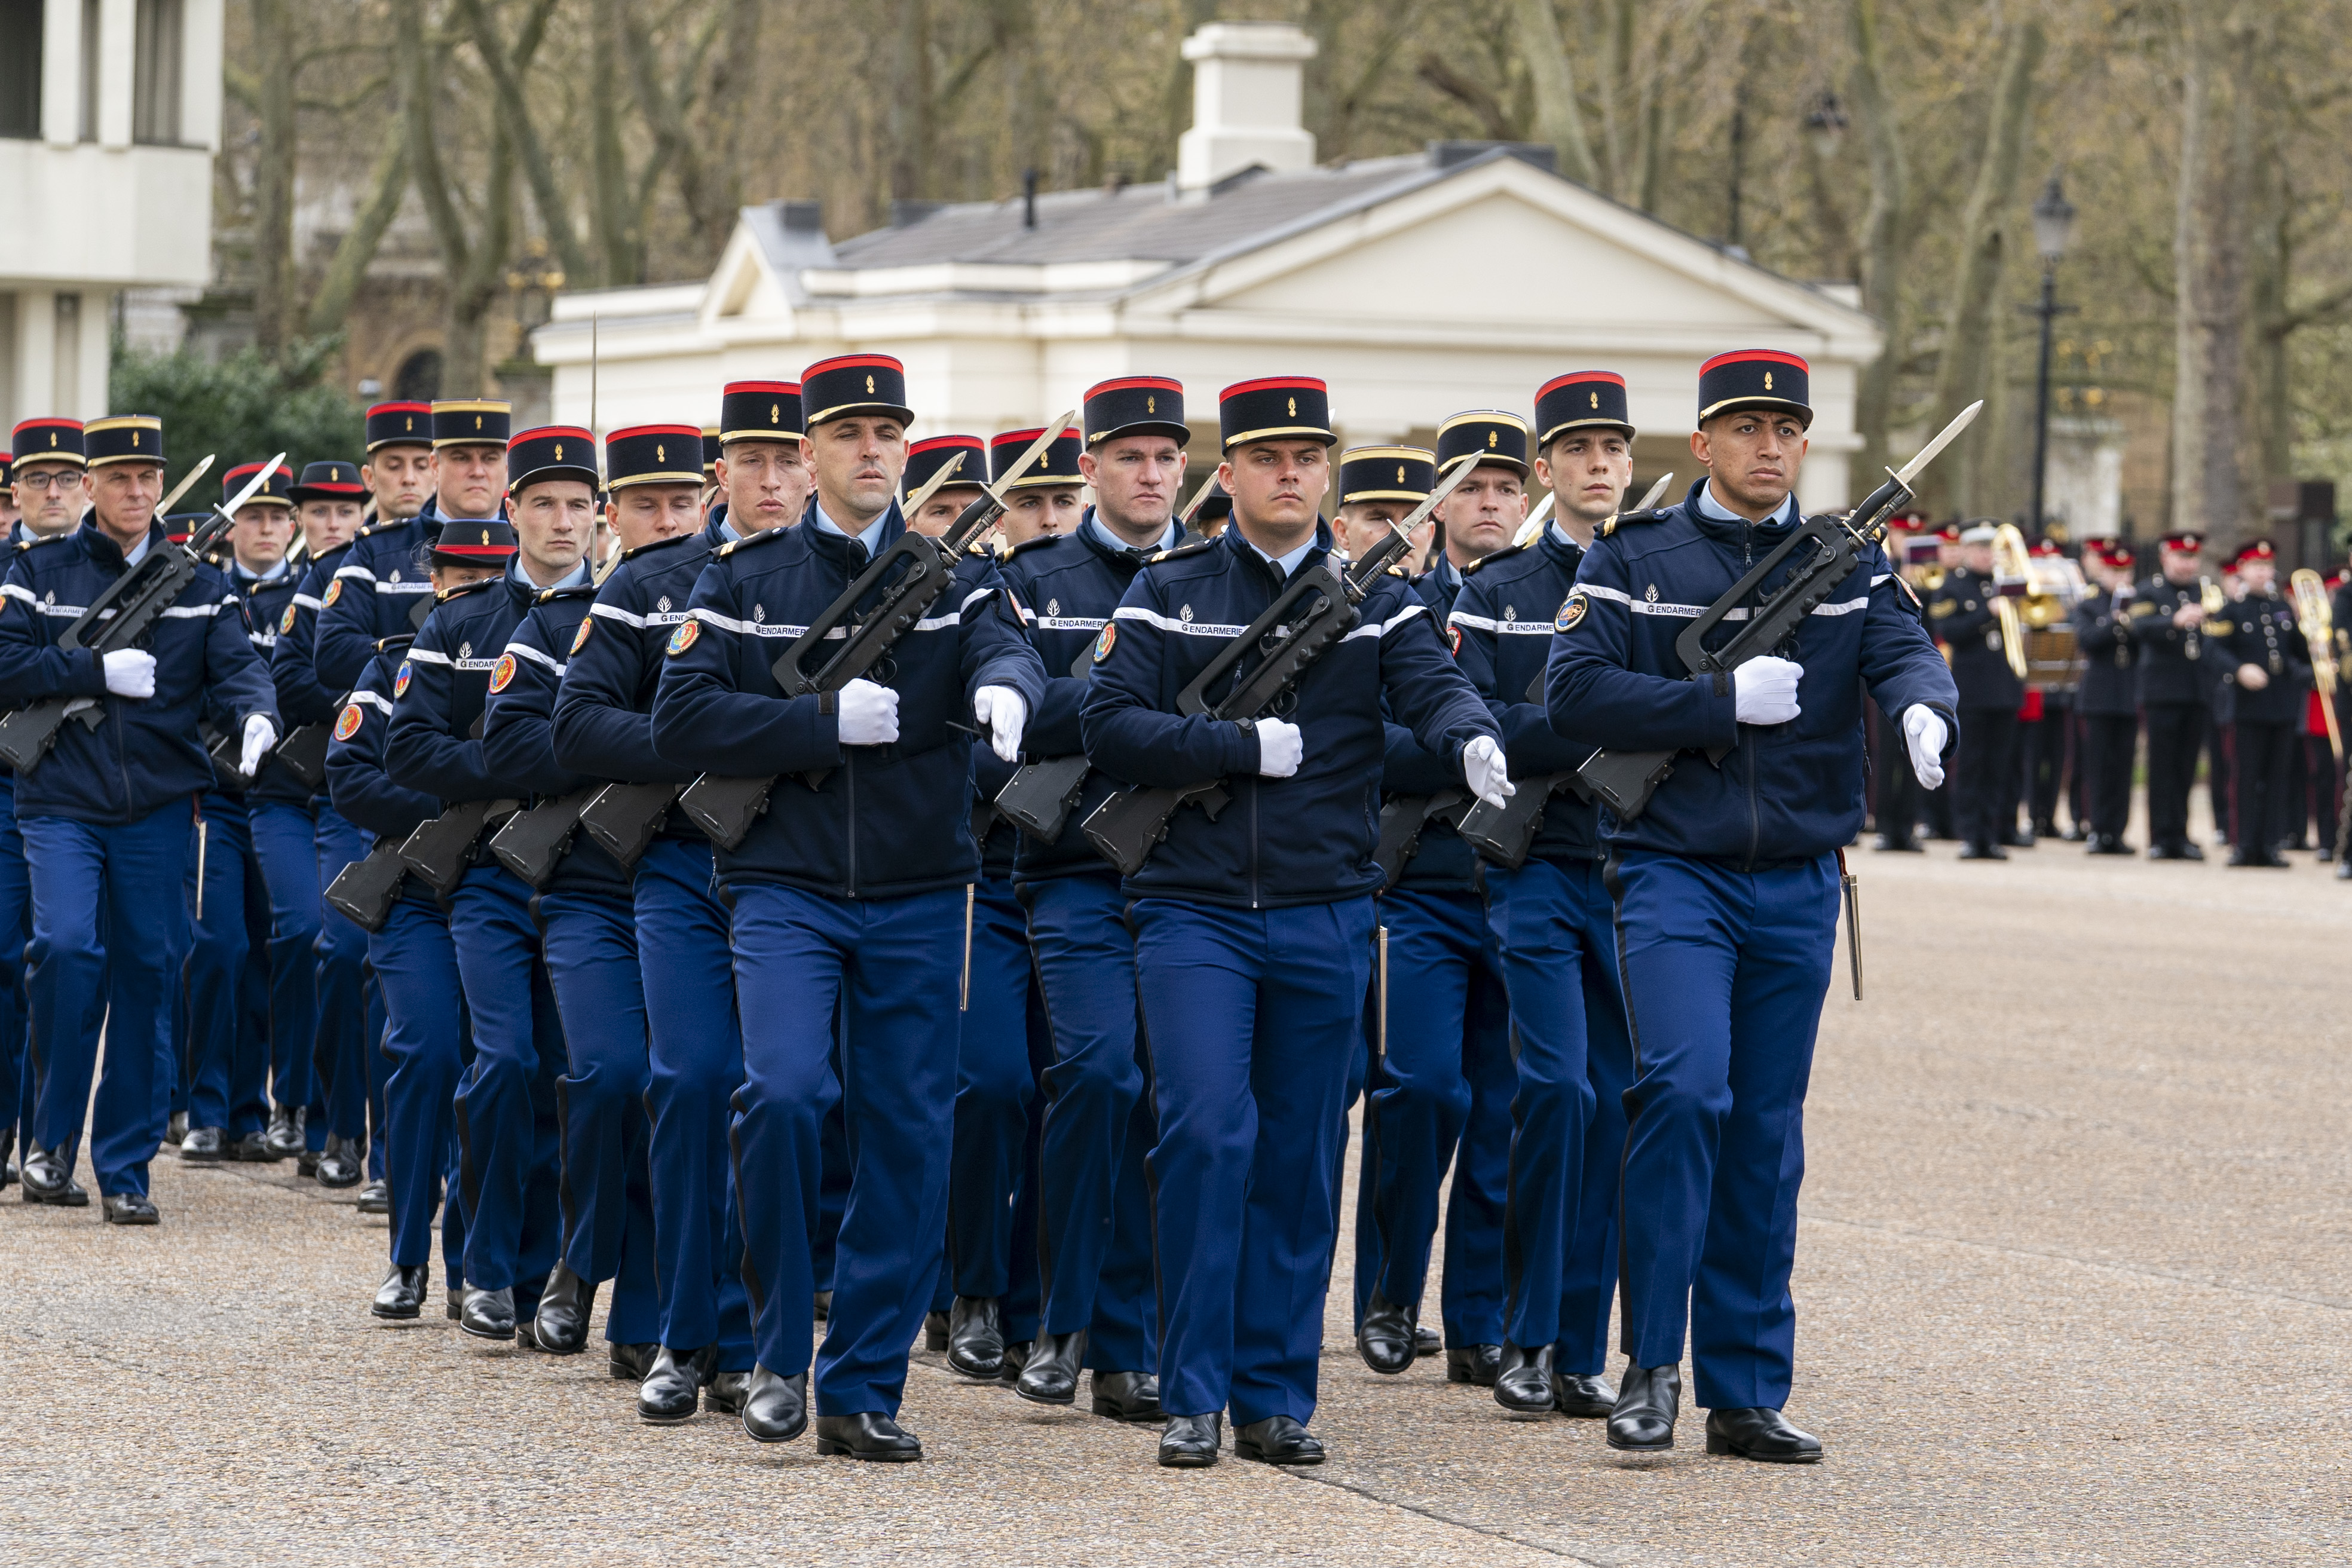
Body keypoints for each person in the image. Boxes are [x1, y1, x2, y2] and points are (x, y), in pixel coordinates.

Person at [1081, 375, 1508, 1469]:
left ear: (1325, 475)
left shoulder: (1376, 597)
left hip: (1325, 908)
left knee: (1302, 1154)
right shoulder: (1168, 588)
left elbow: (1430, 685)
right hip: (1193, 910)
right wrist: (1231, 748)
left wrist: (1469, 735)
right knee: (1205, 1133)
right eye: (1266, 457)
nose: (1288, 473)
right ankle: (1191, 1389)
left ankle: (1273, 1395)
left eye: (1306, 458)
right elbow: (1110, 721)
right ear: (1228, 475)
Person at [1545, 350, 1956, 1462]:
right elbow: (1572, 690)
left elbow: (1906, 650)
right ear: (1707, 441)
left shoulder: (1848, 563)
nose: (1770, 445)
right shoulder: (1635, 555)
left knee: (1766, 1134)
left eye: (1788, 428)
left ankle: (1743, 1386)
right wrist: (1715, 700)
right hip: (1677, 866)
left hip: (1798, 877)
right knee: (1682, 1091)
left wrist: (1926, 709)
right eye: (1747, 427)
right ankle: (1652, 1364)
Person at [653, 354, 1046, 1460]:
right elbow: (683, 720)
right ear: (812, 450)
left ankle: (862, 1379)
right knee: (778, 1094)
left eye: (889, 432)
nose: (872, 449)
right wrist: (818, 723)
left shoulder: (955, 574)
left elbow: (1005, 640)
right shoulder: (745, 577)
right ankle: (778, 1348)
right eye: (849, 433)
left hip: (924, 887)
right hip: (785, 882)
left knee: (910, 1132)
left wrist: (1006, 689)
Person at [550, 380, 800, 1420]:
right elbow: (576, 722)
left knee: (775, 1093)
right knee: (691, 1080)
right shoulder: (653, 584)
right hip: (682, 865)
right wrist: (702, 740)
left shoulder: (851, 581)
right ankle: (680, 1331)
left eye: (793, 458)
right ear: (723, 475)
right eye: (756, 460)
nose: (776, 479)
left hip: (796, 873)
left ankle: (759, 1341)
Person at [0, 415, 280, 1223]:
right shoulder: (39, 571)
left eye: (147, 479)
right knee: (61, 949)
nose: (134, 492)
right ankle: (50, 1141)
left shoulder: (197, 581)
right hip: (59, 799)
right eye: (117, 478)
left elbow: (238, 667)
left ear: (161, 486)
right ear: (89, 486)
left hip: (158, 806)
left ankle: (125, 1167)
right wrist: (90, 668)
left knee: (150, 975)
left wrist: (256, 713)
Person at [993, 378, 1189, 1420]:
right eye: (1129, 458)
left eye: (1166, 457)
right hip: (1072, 867)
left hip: (1188, 875)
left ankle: (1128, 1338)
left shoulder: (1215, 575)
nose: (1150, 475)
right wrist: (1131, 699)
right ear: (1090, 470)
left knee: (1166, 1093)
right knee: (1098, 1074)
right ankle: (1059, 1314)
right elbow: (1014, 717)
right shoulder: (1032, 579)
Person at [1446, 372, 1639, 1420]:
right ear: (1547, 471)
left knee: (1612, 1104)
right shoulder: (1499, 591)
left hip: (1633, 870)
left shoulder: (1656, 574)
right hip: (1532, 868)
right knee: (1555, 1092)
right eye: (1579, 449)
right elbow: (1483, 728)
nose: (1601, 464)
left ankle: (1575, 1345)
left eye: (1614, 446)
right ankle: (1524, 1333)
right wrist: (1613, 708)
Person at [482, 424, 682, 1371]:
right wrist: (639, 738)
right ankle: (578, 1259)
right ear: (616, 520)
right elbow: (513, 749)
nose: (666, 522)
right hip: (592, 889)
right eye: (645, 506)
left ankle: (645, 1316)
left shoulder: (731, 612)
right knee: (606, 1076)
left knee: (679, 1090)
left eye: (682, 505)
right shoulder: (555, 626)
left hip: (696, 887)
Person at [384, 437, 569, 1345]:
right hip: (491, 873)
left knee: (569, 1077)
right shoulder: (459, 626)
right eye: (545, 505)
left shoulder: (618, 616)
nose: (564, 523)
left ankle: (538, 1273)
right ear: (515, 514)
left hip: (586, 877)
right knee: (503, 1062)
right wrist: (506, 767)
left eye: (580, 505)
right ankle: (486, 1267)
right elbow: (409, 748)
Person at [1352, 420, 1515, 1391]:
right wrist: (1471, 742)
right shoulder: (1390, 606)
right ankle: (1387, 1292)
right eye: (1472, 486)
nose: (1490, 501)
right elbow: (1367, 740)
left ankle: (1477, 1316)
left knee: (1506, 1106)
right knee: (1417, 1088)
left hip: (1522, 883)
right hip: (1422, 885)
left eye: (1504, 483)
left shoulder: (1547, 596)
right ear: (1438, 505)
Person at [935, 424, 1077, 1387]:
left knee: (1067, 1086)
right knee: (991, 1083)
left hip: (1076, 869)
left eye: (1060, 500)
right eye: (1031, 502)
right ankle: (973, 1290)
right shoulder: (965, 598)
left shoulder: (1107, 588)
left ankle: (1037, 1303)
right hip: (983, 870)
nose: (1048, 517)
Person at [330, 611, 481, 1322]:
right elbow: (351, 775)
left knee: (498, 1064)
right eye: (449, 572)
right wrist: (457, 802)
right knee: (426, 1052)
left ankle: (474, 1264)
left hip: (506, 885)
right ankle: (407, 1253)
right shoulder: (396, 662)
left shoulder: (545, 645)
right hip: (413, 887)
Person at [179, 463, 302, 1169]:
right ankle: (205, 1108)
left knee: (265, 953)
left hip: (280, 794)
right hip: (220, 799)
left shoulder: (307, 594)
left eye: (275, 516)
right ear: (231, 529)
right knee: (217, 948)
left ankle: (249, 1112)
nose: (264, 527)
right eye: (251, 517)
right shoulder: (205, 590)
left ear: (289, 524)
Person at [274, 458, 388, 1204]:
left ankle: (403, 1152)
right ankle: (339, 1125)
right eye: (400, 465)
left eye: (423, 464)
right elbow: (296, 678)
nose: (410, 479)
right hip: (354, 785)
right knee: (344, 949)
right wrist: (388, 685)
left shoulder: (472, 551)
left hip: (450, 793)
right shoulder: (336, 577)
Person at [0, 419, 93, 1184]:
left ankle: (49, 1137)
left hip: (64, 789)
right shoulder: (10, 572)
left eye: (68, 478)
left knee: (59, 957)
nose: (54, 492)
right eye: (40, 480)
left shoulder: (100, 569)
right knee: (9, 960)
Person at [317, 400, 510, 691]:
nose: (478, 471)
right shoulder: (378, 550)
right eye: (461, 458)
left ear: (507, 468)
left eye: (490, 458)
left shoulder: (528, 552)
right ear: (435, 466)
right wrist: (430, 661)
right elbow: (333, 653)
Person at [2209, 539, 2308, 867]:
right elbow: (2214, 651)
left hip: (2281, 703)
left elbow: (2299, 652)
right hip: (2248, 704)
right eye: (2256, 566)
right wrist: (2239, 670)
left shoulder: (2282, 609)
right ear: (2242, 570)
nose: (2263, 572)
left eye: (2267, 566)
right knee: (2247, 775)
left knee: (2277, 775)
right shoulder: (2232, 610)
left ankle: (2270, 844)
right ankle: (2244, 843)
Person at [1928, 523, 2025, 860]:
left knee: (1998, 766)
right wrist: (1987, 613)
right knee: (1971, 765)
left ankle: (1992, 833)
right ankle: (1970, 833)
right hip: (1971, 690)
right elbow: (1948, 631)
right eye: (1980, 549)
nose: (1986, 555)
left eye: (1991, 550)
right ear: (1967, 552)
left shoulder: (2006, 586)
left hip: (2004, 689)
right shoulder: (1952, 587)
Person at [2134, 532, 2215, 860]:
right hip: (2163, 690)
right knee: (2162, 765)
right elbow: (2139, 626)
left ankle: (2180, 833)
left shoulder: (2204, 591)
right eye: (2182, 557)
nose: (2188, 565)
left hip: (2196, 689)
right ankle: (2160, 835)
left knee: (2186, 767)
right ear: (2166, 557)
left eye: (2193, 558)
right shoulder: (2149, 590)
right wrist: (2174, 621)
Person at [2072, 541, 2139, 855]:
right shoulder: (2090, 603)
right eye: (2115, 570)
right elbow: (2087, 640)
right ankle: (2098, 829)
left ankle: (2118, 830)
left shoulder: (2138, 604)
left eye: (2125, 570)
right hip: (2099, 694)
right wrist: (2114, 620)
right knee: (2099, 766)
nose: (2121, 577)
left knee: (2123, 768)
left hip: (2127, 693)